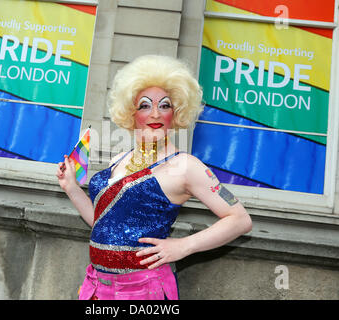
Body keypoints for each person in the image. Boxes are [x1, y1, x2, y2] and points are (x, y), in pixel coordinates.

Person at [56, 55, 252, 300]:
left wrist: (183, 246)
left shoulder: (186, 166)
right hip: (96, 287)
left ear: (177, 111)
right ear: (131, 112)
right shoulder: (118, 159)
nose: (156, 114)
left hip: (143, 291)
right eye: (146, 105)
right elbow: (103, 222)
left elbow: (240, 220)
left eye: (165, 105)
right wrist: (72, 188)